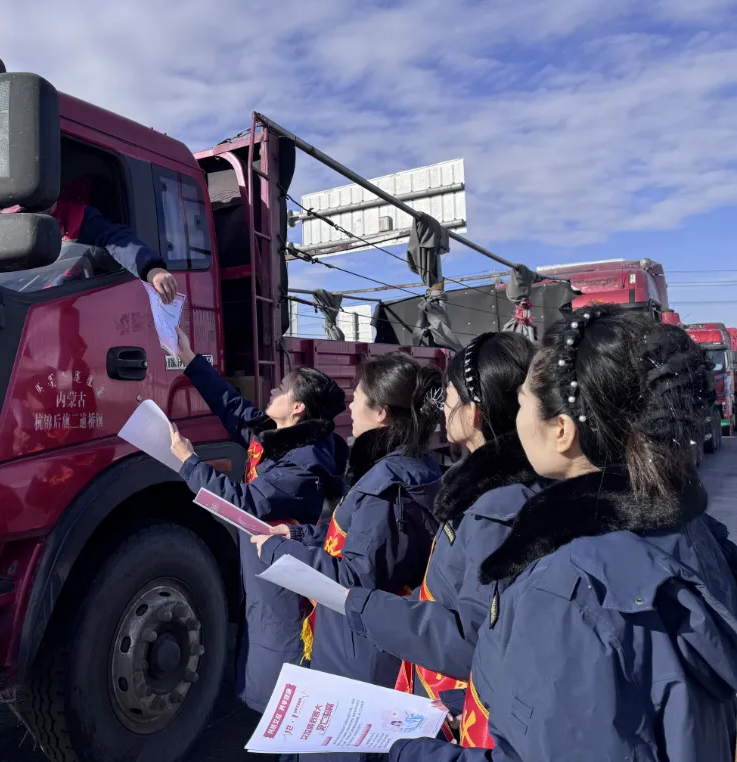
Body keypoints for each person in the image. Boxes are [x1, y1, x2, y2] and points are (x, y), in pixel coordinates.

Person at [387, 307, 737, 762]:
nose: (515, 417)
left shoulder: (567, 588)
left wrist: (403, 754)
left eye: (523, 400)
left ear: (562, 432)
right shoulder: (692, 530)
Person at [341, 332, 539, 747]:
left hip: (453, 707)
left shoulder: (495, 510)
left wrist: (365, 605)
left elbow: (471, 639)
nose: (443, 407)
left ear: (475, 413)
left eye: (450, 396)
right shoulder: (480, 492)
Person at [250, 351, 445, 762]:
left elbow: (355, 579)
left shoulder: (383, 486)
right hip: (379, 647)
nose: (351, 405)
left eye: (358, 397)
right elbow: (368, 541)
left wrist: (279, 550)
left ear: (380, 414)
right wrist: (302, 533)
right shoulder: (419, 466)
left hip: (354, 659)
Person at [168, 328, 349, 713]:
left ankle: (282, 739)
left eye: (281, 389)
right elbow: (230, 405)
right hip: (261, 569)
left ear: (298, 408)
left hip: (280, 581)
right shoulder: (276, 435)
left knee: (277, 667)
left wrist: (189, 463)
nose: (271, 392)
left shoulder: (305, 463)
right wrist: (189, 358)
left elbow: (244, 502)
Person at [0, 175, 178, 302]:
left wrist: (151, 269)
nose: (46, 204)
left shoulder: (78, 218)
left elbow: (116, 239)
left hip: (59, 311)